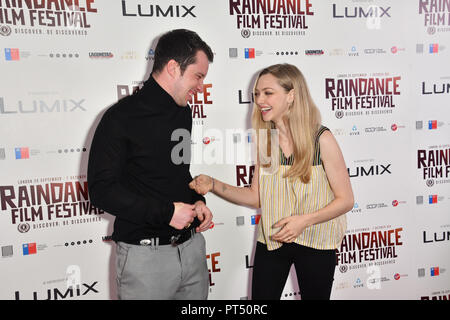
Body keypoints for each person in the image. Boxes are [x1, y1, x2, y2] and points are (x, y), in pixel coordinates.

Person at [189, 64, 354, 300]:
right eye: (256, 94)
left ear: (291, 95)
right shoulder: (267, 140)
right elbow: (256, 196)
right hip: (273, 238)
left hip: (316, 241)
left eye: (268, 93)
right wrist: (214, 184)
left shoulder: (322, 139)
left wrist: (303, 222)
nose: (259, 100)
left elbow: (346, 200)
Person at [87, 29, 214, 300]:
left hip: (192, 252)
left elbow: (177, 173)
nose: (201, 86)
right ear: (172, 68)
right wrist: (166, 212)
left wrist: (197, 200)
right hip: (145, 258)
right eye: (198, 76)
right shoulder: (120, 118)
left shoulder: (183, 112)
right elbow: (101, 190)